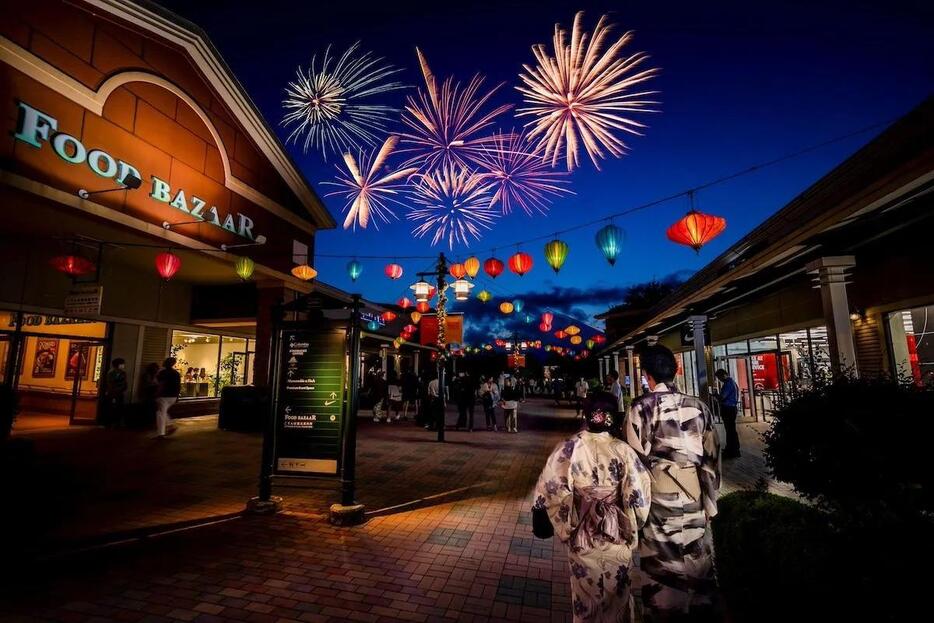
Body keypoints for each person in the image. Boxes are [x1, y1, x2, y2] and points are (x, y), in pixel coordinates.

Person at [533, 390, 652, 622]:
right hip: (617, 529)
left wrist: (561, 524)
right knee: (618, 596)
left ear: (586, 415)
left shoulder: (568, 448)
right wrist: (634, 524)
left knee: (585, 598)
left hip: (582, 531)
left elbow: (550, 491)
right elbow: (639, 496)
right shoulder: (624, 450)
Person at [624, 345, 720, 620]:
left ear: (647, 376)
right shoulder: (699, 407)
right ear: (676, 371)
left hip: (658, 499)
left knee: (662, 571)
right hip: (694, 496)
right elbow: (711, 458)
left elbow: (634, 464)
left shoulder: (641, 408)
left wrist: (634, 512)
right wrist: (710, 503)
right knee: (697, 563)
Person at [715, 369, 741, 458]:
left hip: (728, 409)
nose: (720, 380)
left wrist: (716, 395)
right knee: (731, 430)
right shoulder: (732, 382)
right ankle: (733, 449)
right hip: (731, 408)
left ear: (724, 375)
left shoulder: (728, 384)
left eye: (719, 377)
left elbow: (722, 397)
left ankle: (732, 451)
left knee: (730, 430)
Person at [154, 357, 181, 438]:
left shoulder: (163, 373)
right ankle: (170, 425)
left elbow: (160, 384)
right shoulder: (176, 373)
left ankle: (161, 433)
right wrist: (177, 396)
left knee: (161, 413)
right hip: (173, 396)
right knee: (161, 412)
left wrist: (157, 393)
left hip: (164, 395)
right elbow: (178, 386)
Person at [103, 358, 128, 427]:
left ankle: (117, 423)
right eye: (122, 364)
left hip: (120, 394)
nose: (123, 365)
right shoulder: (111, 373)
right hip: (112, 393)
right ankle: (109, 423)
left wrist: (122, 388)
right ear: (118, 365)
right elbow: (110, 384)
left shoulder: (123, 373)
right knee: (110, 408)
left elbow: (125, 384)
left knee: (119, 408)